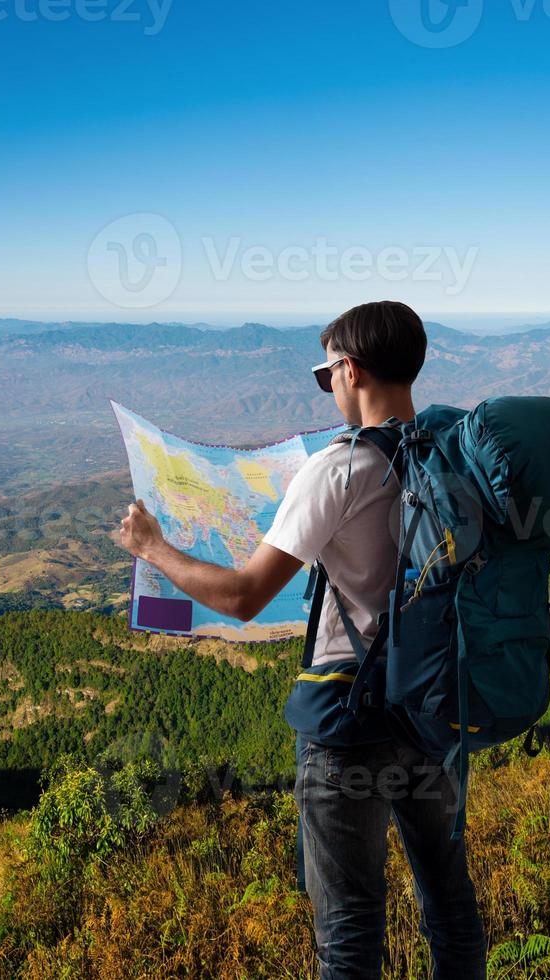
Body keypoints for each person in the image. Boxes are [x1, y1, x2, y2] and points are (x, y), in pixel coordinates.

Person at [111, 300, 486, 979]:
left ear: (351, 369)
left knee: (348, 930)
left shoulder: (337, 470)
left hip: (350, 724)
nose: (329, 386)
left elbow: (243, 596)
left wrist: (153, 547)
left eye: (327, 373)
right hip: (433, 711)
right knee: (450, 906)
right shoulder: (452, 457)